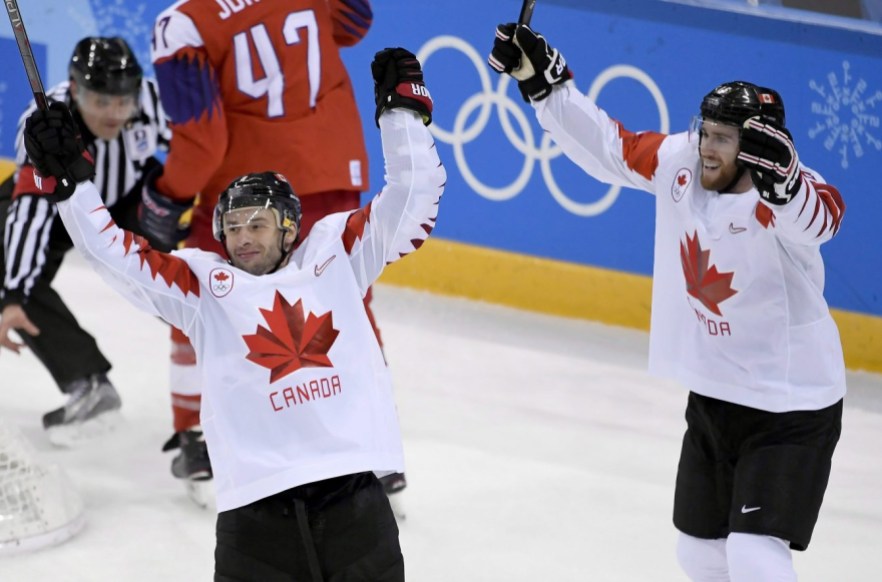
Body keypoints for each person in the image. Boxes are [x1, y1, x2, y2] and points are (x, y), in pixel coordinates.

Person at [22, 47, 441, 580]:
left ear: (290, 226)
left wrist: (402, 116)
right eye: (233, 226)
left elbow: (413, 200)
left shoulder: (338, 255)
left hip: (355, 502)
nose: (242, 237)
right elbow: (115, 256)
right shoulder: (206, 288)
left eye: (257, 224)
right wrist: (71, 186)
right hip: (254, 519)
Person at [489, 24, 846, 581]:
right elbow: (611, 148)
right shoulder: (681, 162)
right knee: (698, 552)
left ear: (756, 148)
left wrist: (790, 184)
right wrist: (544, 87)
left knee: (754, 554)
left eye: (725, 138)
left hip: (792, 403)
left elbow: (824, 216)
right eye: (707, 131)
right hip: (716, 395)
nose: (708, 145)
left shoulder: (784, 200)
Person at [143, 0, 408, 502]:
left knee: (198, 300)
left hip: (244, 192)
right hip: (328, 168)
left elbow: (201, 141)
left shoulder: (184, 23)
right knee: (347, 306)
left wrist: (168, 194)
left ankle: (197, 441)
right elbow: (356, 22)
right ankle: (374, 449)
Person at [0, 37, 171, 446]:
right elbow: (30, 210)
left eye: (123, 102)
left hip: (130, 197)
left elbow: (205, 148)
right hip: (59, 205)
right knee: (5, 274)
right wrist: (12, 295)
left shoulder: (155, 102)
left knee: (177, 284)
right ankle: (88, 383)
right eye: (100, 101)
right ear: (75, 91)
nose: (114, 113)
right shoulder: (44, 128)